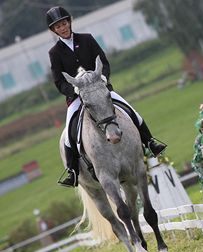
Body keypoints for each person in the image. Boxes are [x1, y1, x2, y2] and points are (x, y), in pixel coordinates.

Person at [46, 6, 166, 187]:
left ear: (69, 22)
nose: (62, 28)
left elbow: (103, 61)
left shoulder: (86, 39)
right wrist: (74, 91)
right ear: (54, 30)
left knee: (130, 110)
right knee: (69, 131)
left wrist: (102, 79)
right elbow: (58, 81)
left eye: (64, 23)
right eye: (58, 27)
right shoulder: (54, 53)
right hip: (78, 97)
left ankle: (149, 141)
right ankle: (73, 171)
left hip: (100, 89)